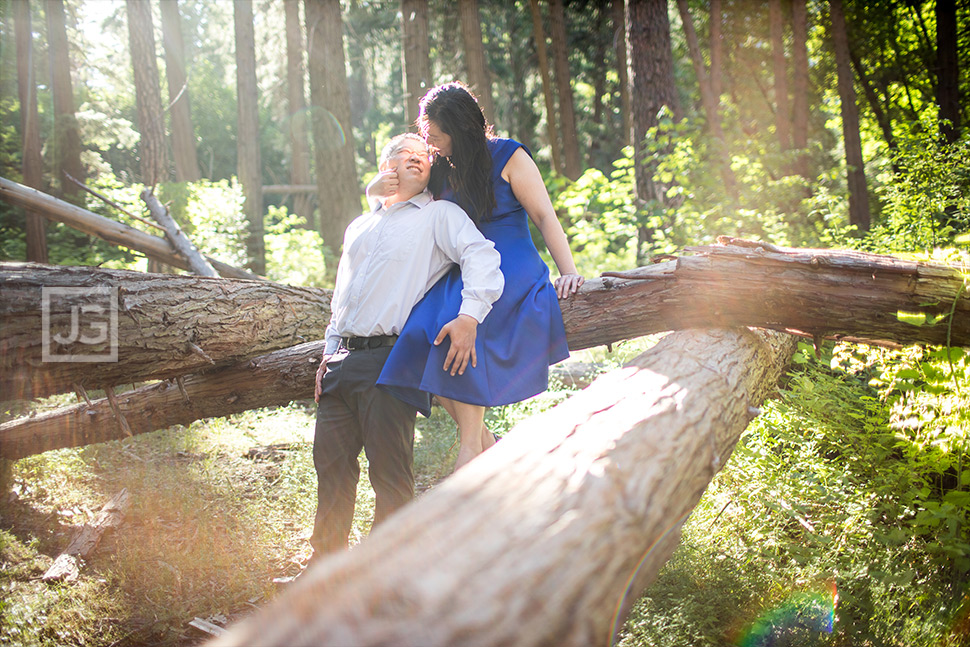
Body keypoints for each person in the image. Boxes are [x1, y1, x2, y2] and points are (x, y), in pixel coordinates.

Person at [372, 81, 585, 471]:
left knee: (466, 325)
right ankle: (494, 448)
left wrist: (568, 271)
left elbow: (543, 216)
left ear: (461, 128)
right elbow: (395, 202)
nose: (431, 144)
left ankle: (470, 448)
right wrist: (373, 187)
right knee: (420, 332)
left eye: (436, 136)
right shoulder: (440, 167)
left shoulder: (509, 155)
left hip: (511, 264)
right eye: (427, 136)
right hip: (462, 266)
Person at [310, 132, 503, 557]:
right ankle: (324, 570)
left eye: (424, 156)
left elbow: (482, 257)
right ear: (386, 165)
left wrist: (470, 315)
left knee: (391, 475)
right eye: (405, 153)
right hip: (340, 361)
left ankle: (387, 574)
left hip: (389, 360)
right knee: (331, 468)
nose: (417, 159)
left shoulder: (439, 216)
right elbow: (343, 294)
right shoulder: (360, 225)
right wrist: (328, 350)